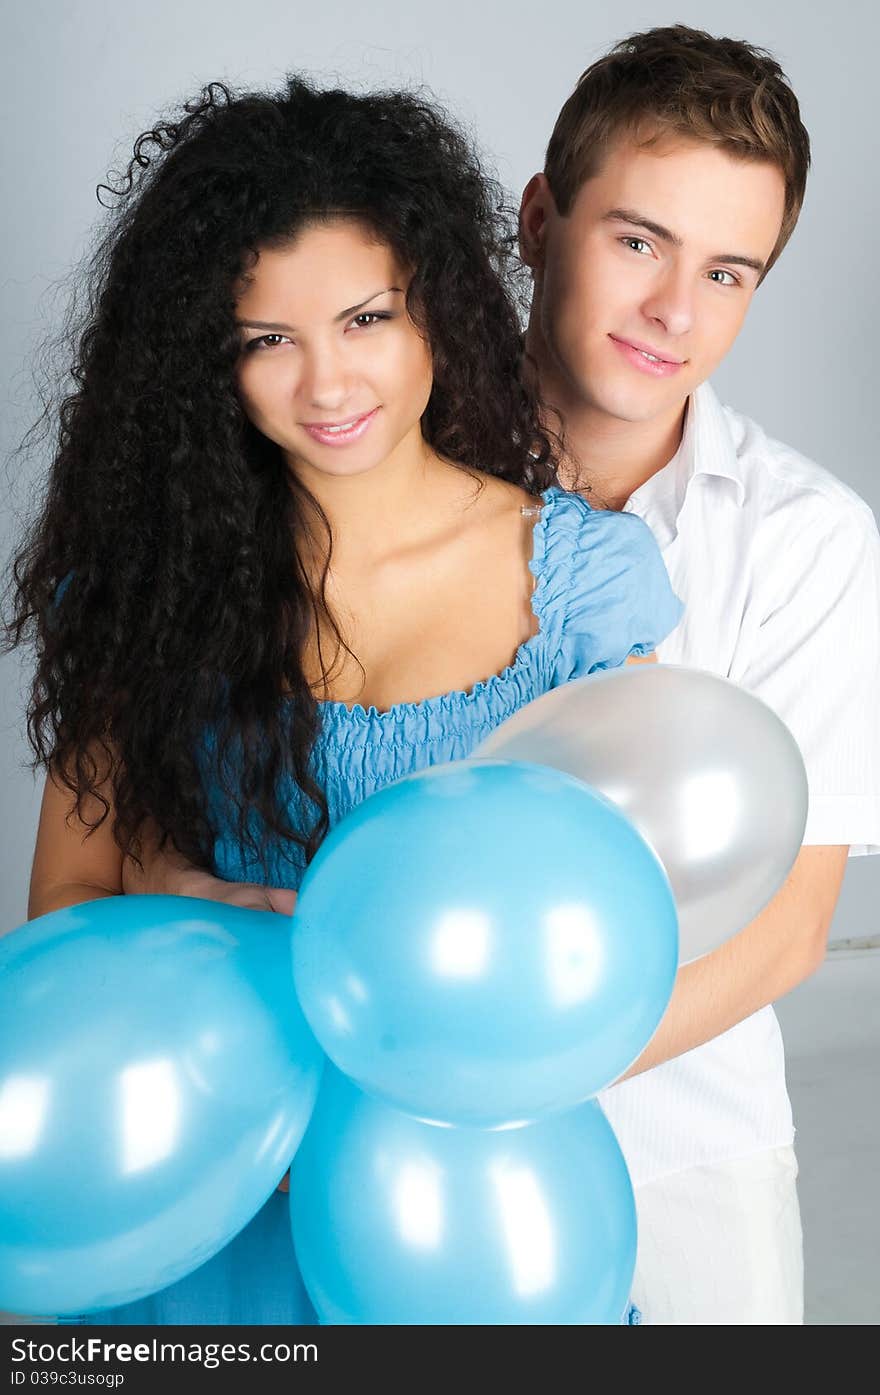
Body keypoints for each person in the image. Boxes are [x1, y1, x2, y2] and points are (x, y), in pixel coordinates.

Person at [7, 77, 681, 1324]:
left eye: (365, 319)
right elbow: (56, 919)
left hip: (467, 1233)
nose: (327, 384)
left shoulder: (583, 584)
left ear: (437, 312)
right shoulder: (148, 589)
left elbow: (615, 946)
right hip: (195, 1234)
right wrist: (214, 926)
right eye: (267, 340)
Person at [517, 24, 880, 1323]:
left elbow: (789, 925)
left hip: (683, 1143)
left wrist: (516, 1063)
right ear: (540, 219)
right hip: (378, 1130)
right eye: (637, 241)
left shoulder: (808, 537)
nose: (679, 310)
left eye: (728, 271)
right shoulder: (380, 476)